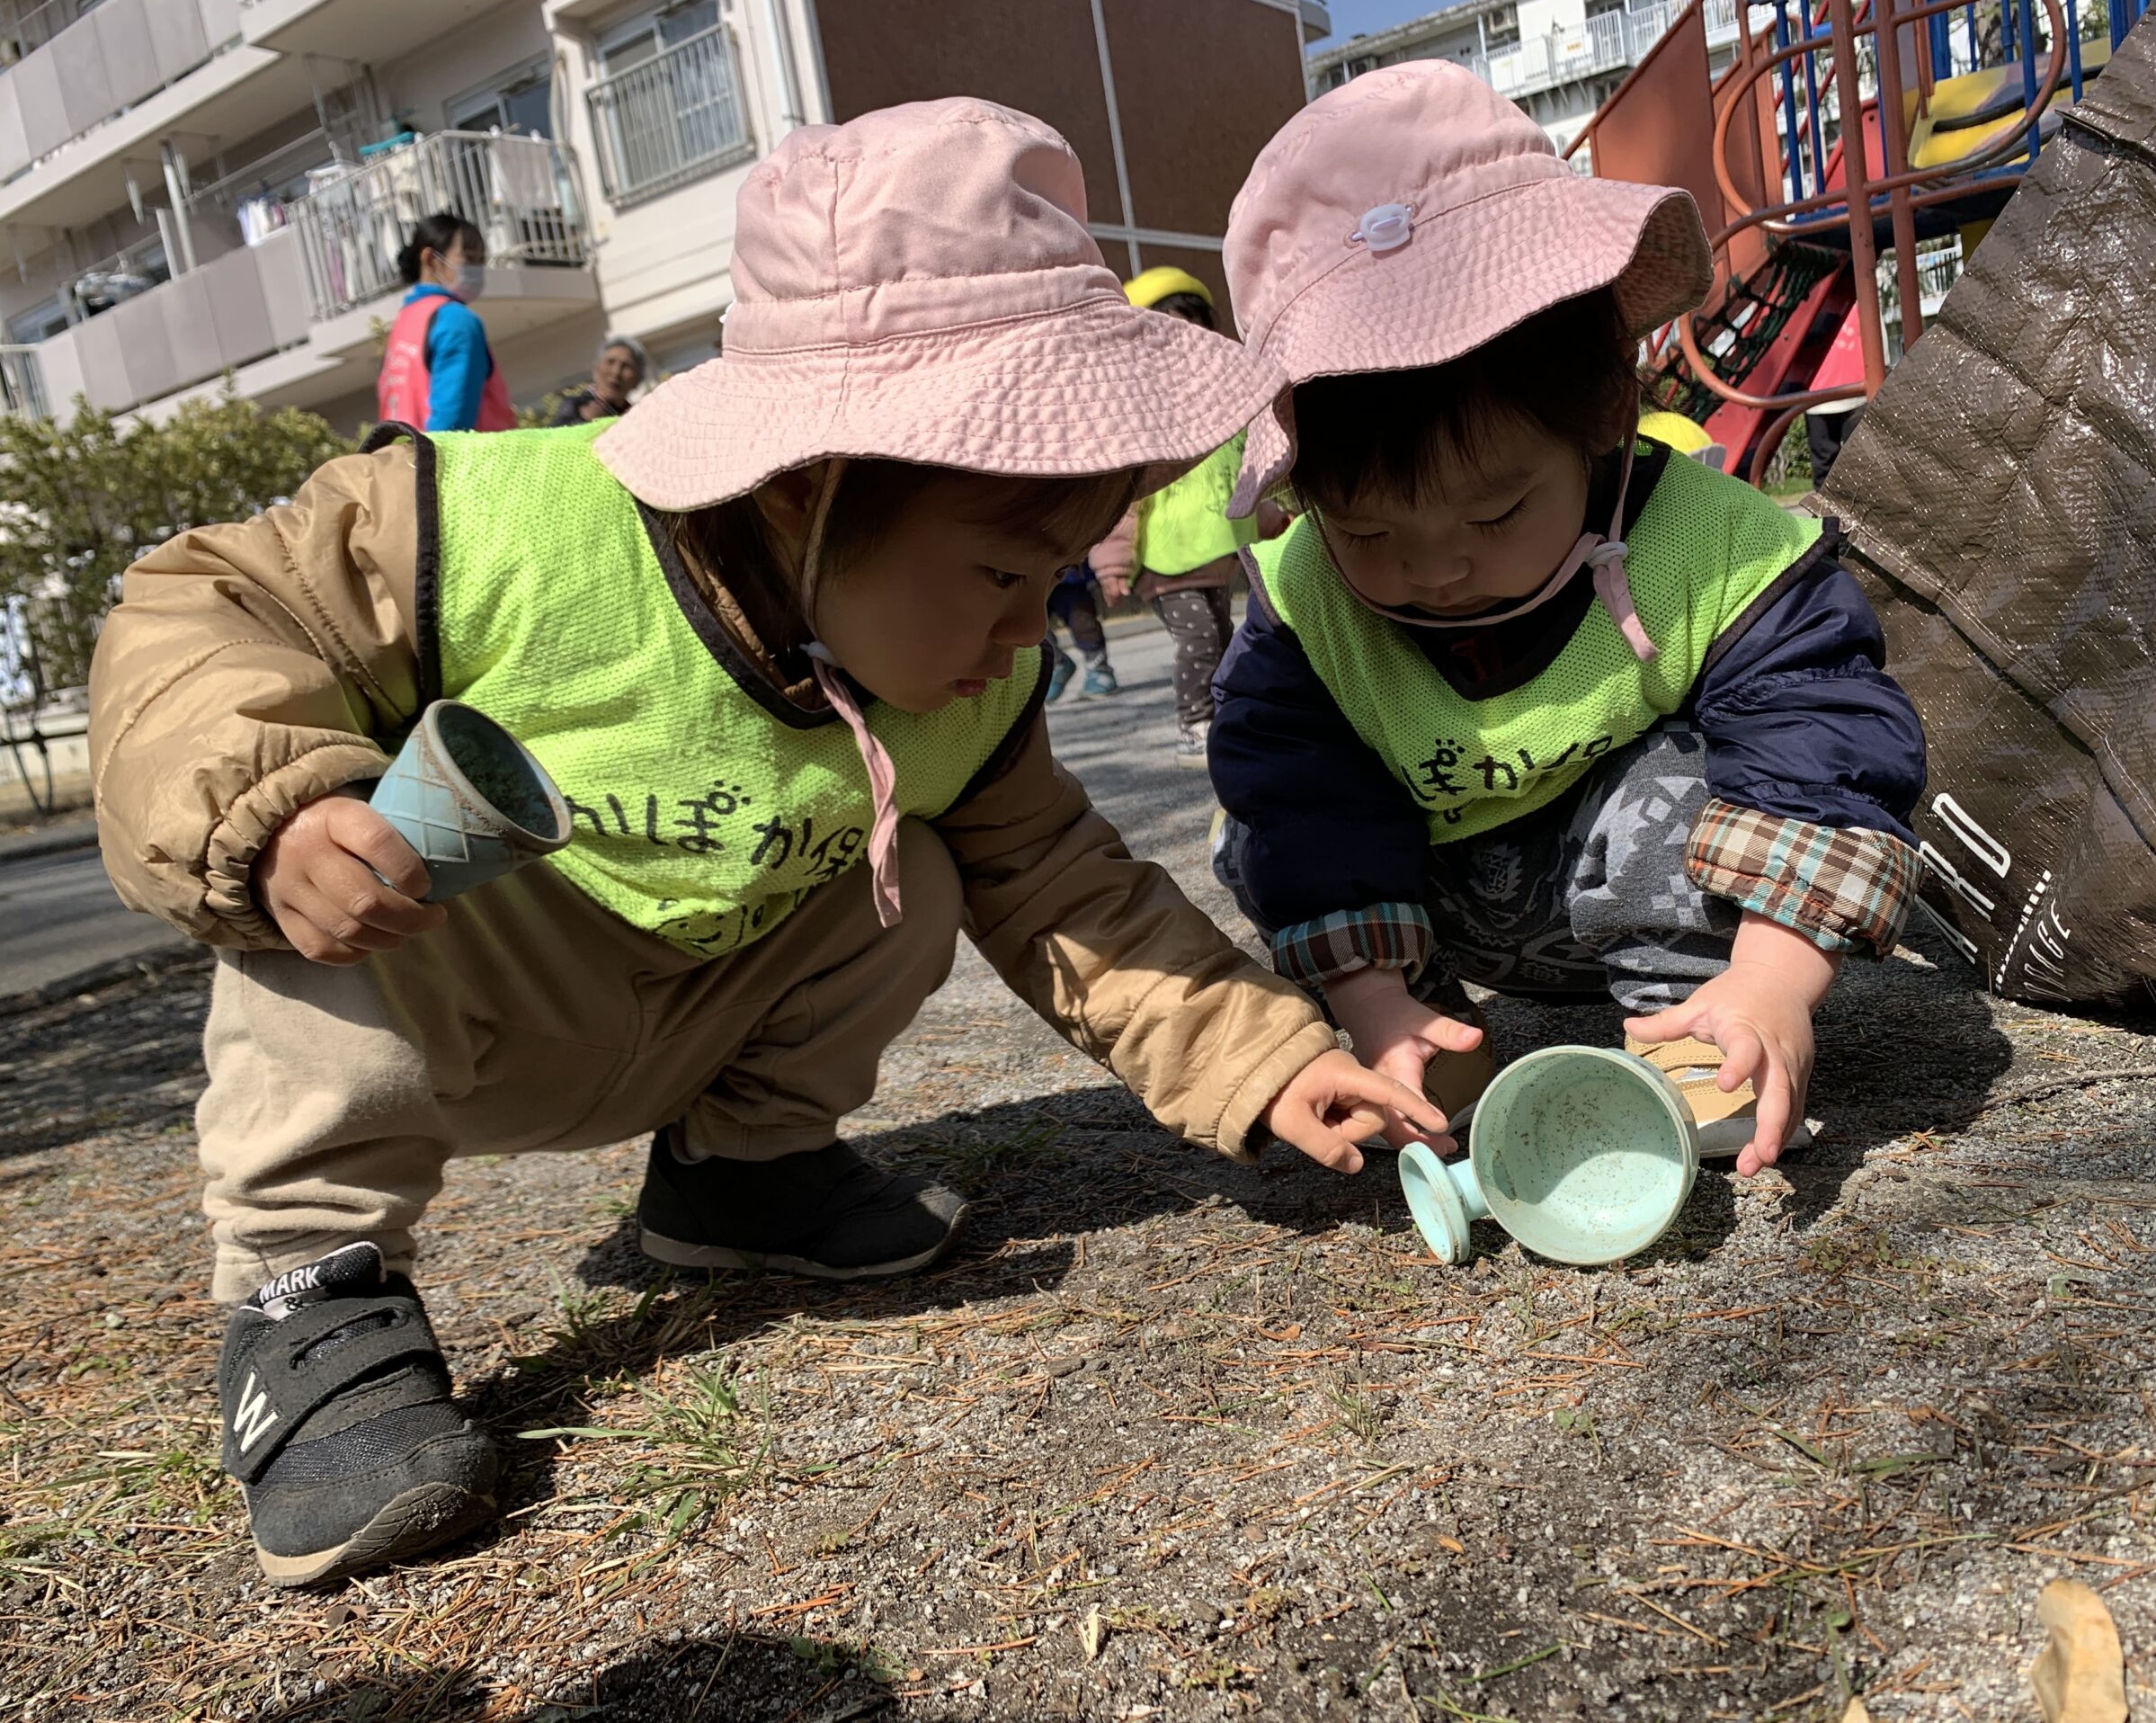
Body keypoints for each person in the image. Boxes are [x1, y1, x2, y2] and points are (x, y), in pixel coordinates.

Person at [88, 102, 1441, 1590]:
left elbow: (1067, 891)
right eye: (1000, 574)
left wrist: (1267, 1060)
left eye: (1051, 577)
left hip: (685, 1025)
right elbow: (199, 610)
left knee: (922, 873)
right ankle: (308, 1298)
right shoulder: (485, 531)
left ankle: (735, 1179)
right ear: (801, 490)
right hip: (450, 983)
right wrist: (272, 811)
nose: (1027, 632)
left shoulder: (962, 695)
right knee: (314, 863)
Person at [1207, 63, 1927, 1170]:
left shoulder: (1707, 543)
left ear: (1602, 413)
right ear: (1305, 491)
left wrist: (1775, 979)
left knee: (1680, 780)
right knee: (1255, 829)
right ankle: (1431, 1050)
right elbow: (1299, 805)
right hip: (1435, 902)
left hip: (1651, 887)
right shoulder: (1304, 606)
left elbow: (1819, 734)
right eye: (1372, 535)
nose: (1439, 569)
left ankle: (1701, 1032)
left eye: (1495, 512)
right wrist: (1370, 1003)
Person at [1091, 268, 1288, 761]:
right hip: (1164, 560)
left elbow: (1239, 480)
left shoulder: (1227, 413)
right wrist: (1113, 563)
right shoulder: (1141, 420)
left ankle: (1223, 720)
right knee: (1200, 638)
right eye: (1171, 339)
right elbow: (1121, 499)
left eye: (1198, 335)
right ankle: (1194, 721)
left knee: (1224, 641)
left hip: (1217, 557)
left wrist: (1266, 518)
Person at [377, 212, 513, 433]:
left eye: (481, 261)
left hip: (405, 461)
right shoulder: (455, 319)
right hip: (460, 462)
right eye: (469, 258)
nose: (478, 270)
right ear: (431, 259)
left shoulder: (403, 323)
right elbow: (453, 420)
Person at [1043, 561, 1118, 700]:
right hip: (1028, 574)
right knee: (1027, 626)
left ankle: (1099, 669)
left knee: (1082, 620)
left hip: (1071, 570)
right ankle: (1056, 664)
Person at [549, 335, 650, 425]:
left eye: (626, 366)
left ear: (637, 380)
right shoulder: (574, 405)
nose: (616, 372)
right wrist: (584, 421)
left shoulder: (637, 418)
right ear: (596, 369)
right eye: (610, 362)